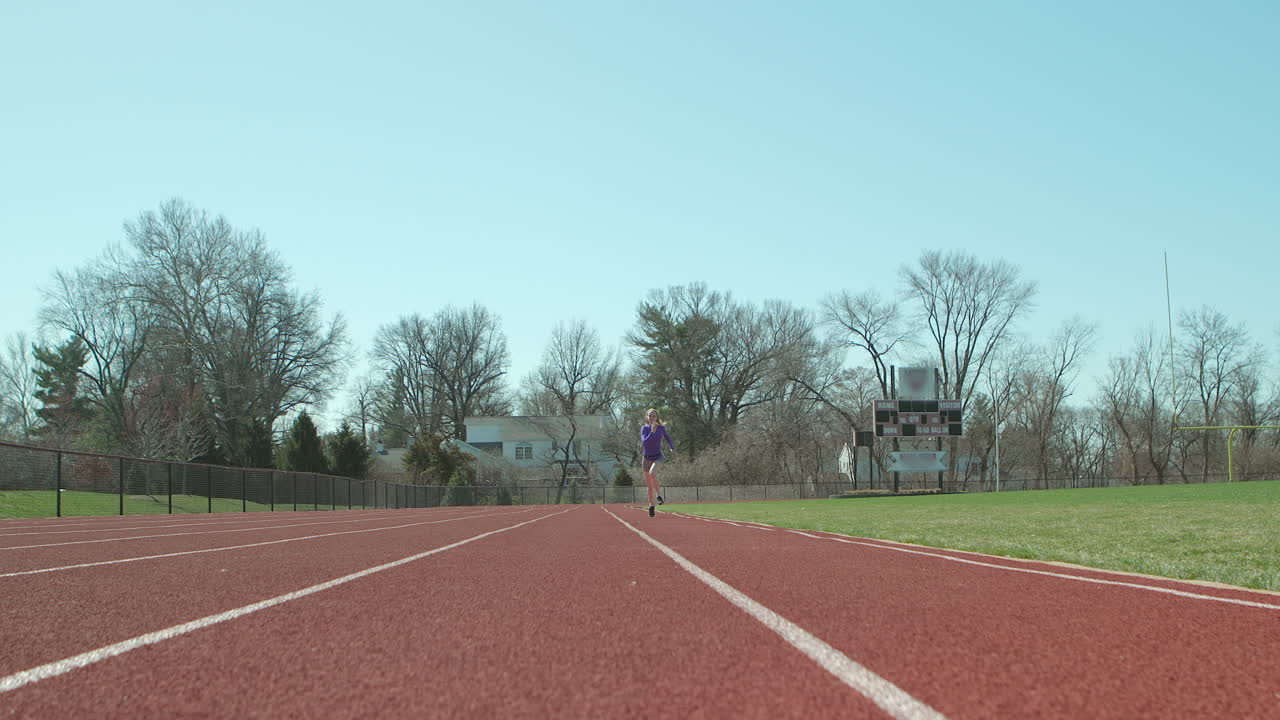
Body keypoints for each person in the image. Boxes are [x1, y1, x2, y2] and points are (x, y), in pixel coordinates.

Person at [640, 408, 675, 517]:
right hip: (646, 458)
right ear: (647, 417)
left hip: (658, 457)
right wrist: (652, 432)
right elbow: (645, 443)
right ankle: (651, 505)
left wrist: (671, 447)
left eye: (654, 416)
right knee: (649, 486)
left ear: (657, 418)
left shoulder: (661, 428)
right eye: (650, 416)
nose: (652, 418)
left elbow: (667, 437)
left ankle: (659, 495)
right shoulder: (644, 429)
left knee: (652, 473)